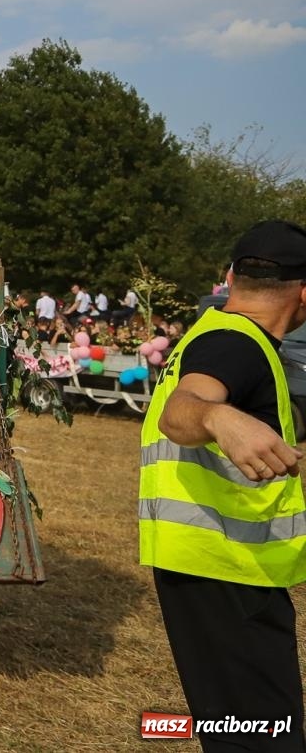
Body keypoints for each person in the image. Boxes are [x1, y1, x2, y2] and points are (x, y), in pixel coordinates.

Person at [140, 220, 306, 748]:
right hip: (230, 574)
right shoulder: (240, 344)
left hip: (199, 565)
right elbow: (182, 409)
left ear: (230, 276)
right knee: (265, 736)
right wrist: (218, 419)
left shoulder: (211, 334)